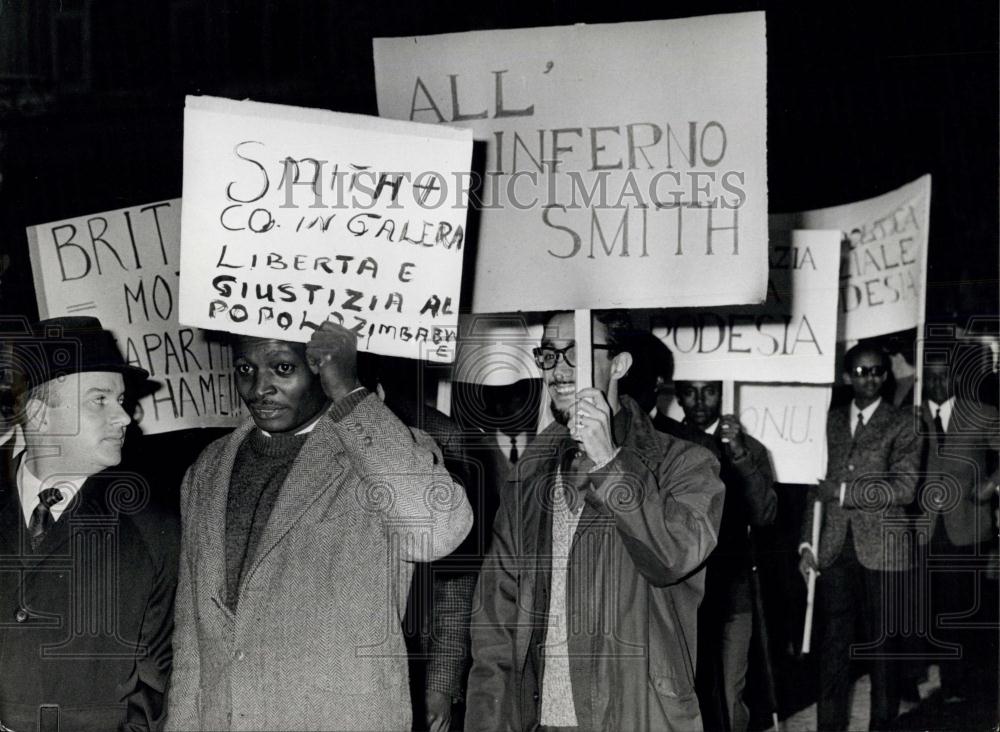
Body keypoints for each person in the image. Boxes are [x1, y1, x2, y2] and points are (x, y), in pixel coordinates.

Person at [165, 323, 473, 732]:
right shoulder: (209, 468)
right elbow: (192, 637)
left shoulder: (381, 453)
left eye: (282, 368)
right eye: (245, 369)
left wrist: (350, 395)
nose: (260, 387)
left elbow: (437, 532)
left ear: (321, 370)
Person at [467, 310, 724, 731]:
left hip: (634, 715)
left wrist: (610, 462)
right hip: (538, 717)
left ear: (619, 365)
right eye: (548, 354)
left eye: (576, 353)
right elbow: (495, 620)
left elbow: (672, 557)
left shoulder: (685, 464)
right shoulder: (530, 472)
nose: (558, 369)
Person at [0, 316, 177, 732]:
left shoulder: (152, 528)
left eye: (120, 401)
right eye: (99, 400)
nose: (124, 418)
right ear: (40, 415)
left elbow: (164, 680)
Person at [798, 344, 921, 731]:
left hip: (885, 551)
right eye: (862, 371)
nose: (871, 378)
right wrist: (807, 544)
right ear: (847, 376)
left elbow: (905, 488)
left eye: (878, 371)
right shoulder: (828, 421)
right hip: (834, 550)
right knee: (833, 650)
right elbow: (814, 488)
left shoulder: (904, 422)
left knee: (883, 650)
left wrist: (847, 493)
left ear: (886, 375)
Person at [675, 380, 776, 732]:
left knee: (730, 692)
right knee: (685, 692)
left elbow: (765, 513)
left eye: (710, 391)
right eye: (690, 391)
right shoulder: (664, 443)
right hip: (681, 594)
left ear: (723, 394)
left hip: (734, 592)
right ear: (677, 395)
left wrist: (740, 455)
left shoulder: (749, 449)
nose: (700, 400)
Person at [918, 348, 1000, 702]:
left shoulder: (982, 413)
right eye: (931, 376)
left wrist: (991, 483)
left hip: (967, 526)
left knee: (961, 606)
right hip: (921, 527)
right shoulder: (909, 415)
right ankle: (931, 676)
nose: (938, 383)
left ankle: (960, 683)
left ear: (956, 377)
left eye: (944, 375)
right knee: (925, 605)